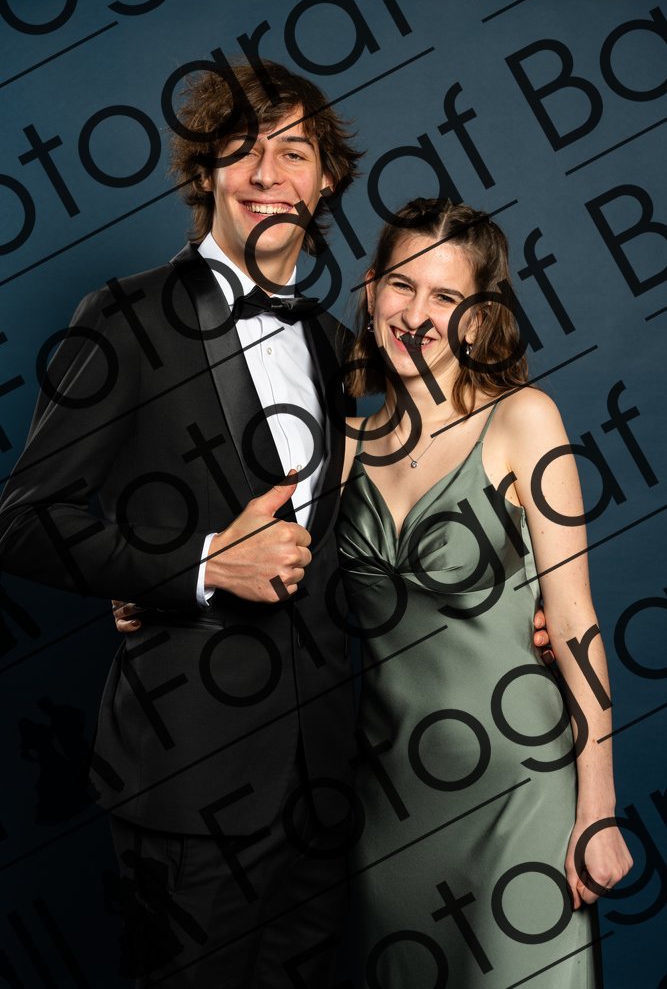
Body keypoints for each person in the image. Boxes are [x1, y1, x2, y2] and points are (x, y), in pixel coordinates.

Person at [0, 61, 365, 988]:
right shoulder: (122, 316)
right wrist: (199, 565)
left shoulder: (333, 345)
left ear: (326, 180)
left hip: (325, 771)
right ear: (205, 172)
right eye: (240, 150)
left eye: (293, 151)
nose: (266, 172)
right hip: (188, 772)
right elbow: (25, 520)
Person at [333, 197, 633, 987]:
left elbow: (574, 623)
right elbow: (262, 572)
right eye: (402, 286)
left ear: (478, 318)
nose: (417, 316)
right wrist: (154, 590)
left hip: (519, 798)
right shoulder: (338, 448)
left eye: (446, 296)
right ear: (369, 290)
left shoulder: (523, 420)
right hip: (388, 813)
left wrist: (597, 810)